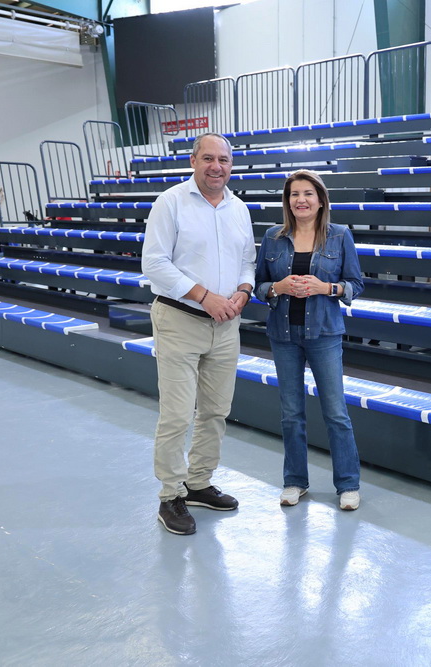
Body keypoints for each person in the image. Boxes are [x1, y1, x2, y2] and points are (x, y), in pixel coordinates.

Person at [141, 132, 256, 535]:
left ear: (231, 165)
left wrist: (243, 291)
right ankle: (170, 495)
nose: (216, 167)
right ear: (193, 161)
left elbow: (247, 260)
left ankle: (198, 483)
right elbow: (154, 263)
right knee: (176, 415)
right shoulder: (170, 202)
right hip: (180, 320)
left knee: (215, 411)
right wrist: (204, 296)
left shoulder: (239, 208)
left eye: (223, 160)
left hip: (226, 324)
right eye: (208, 158)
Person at [255, 169, 365, 510]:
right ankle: (295, 482)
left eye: (307, 194)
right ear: (287, 201)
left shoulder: (340, 235)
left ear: (320, 201)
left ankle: (348, 484)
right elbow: (259, 286)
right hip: (283, 335)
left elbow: (356, 284)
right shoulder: (273, 237)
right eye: (294, 194)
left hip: (324, 335)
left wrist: (326, 288)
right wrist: (277, 287)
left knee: (335, 412)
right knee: (291, 414)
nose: (300, 200)